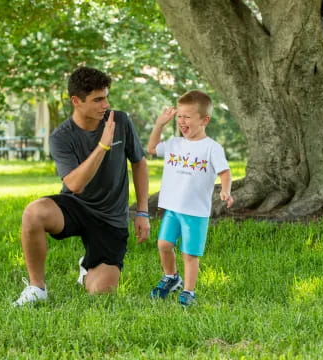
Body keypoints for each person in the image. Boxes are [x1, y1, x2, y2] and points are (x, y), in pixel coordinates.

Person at [13, 67, 150, 306]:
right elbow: (75, 184)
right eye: (98, 99)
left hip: (110, 218)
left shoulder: (121, 121)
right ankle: (37, 288)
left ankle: (86, 268)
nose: (105, 104)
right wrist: (103, 146)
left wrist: (142, 211)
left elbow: (139, 163)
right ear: (76, 101)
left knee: (101, 293)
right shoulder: (61, 137)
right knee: (34, 213)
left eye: (106, 97)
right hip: (76, 206)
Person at [146, 90, 233, 307]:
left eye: (187, 117)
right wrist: (159, 125)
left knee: (189, 254)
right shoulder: (174, 143)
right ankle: (171, 277)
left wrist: (225, 190)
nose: (182, 121)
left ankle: (188, 291)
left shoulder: (212, 148)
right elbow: (151, 148)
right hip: (173, 209)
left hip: (195, 212)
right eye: (179, 116)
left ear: (204, 120)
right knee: (164, 244)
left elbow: (225, 172)